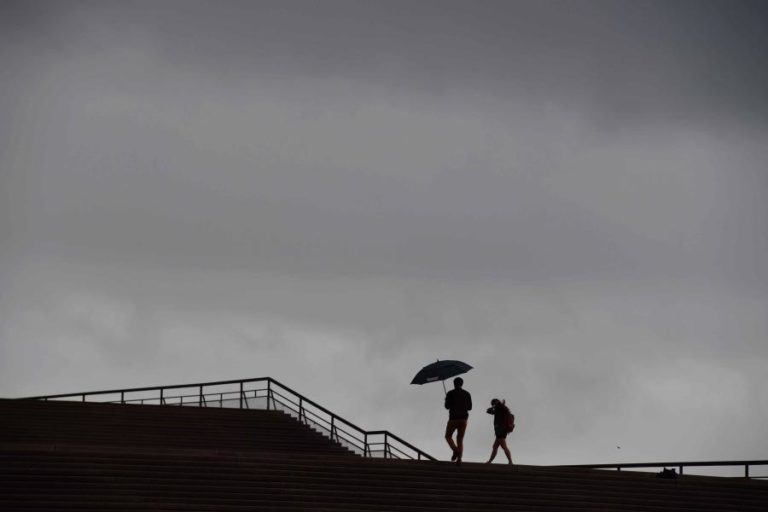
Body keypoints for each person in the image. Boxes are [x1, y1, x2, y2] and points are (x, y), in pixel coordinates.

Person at [444, 377, 472, 465]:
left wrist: (446, 400)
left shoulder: (450, 393)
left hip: (453, 418)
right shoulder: (467, 394)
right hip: (464, 419)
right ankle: (459, 459)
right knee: (460, 439)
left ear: (454, 383)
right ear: (462, 384)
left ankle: (456, 451)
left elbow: (447, 407)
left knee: (448, 436)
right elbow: (470, 408)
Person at [485, 398, 513, 464]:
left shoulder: (499, 409)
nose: (493, 405)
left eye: (493, 404)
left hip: (500, 431)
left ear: (495, 403)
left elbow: (488, 411)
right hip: (501, 431)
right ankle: (490, 461)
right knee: (495, 446)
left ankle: (510, 461)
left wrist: (493, 407)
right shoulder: (503, 408)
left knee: (504, 447)